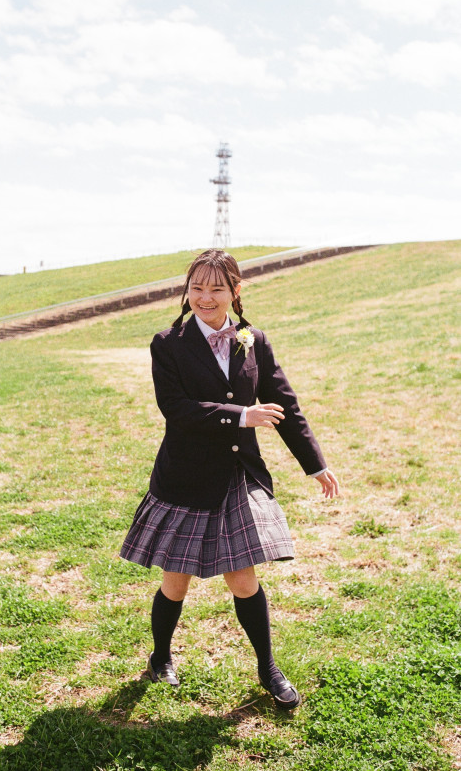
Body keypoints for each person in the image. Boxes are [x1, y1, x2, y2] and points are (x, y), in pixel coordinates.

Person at [120, 248, 339, 709]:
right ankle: (161, 657)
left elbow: (284, 403)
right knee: (176, 580)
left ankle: (268, 668)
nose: (205, 297)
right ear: (187, 291)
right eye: (197, 287)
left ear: (235, 291)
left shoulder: (253, 339)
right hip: (186, 478)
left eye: (216, 288)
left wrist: (315, 463)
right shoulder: (168, 343)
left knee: (243, 579)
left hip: (239, 476)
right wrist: (241, 415)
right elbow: (176, 409)